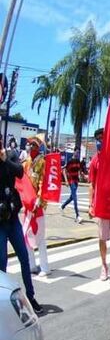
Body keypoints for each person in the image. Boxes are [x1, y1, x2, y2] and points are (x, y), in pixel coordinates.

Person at [0, 145, 42, 314]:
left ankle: (31, 297)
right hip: (0, 224)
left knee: (24, 258)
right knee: (2, 263)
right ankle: (3, 302)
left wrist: (4, 161)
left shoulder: (10, 155)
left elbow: (19, 171)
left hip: (13, 220)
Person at [88, 128, 110, 283]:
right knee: (102, 238)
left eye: (103, 138)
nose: (100, 141)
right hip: (101, 206)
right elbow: (91, 184)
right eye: (98, 138)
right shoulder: (95, 160)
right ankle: (104, 266)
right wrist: (91, 205)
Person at [22, 135, 49, 276]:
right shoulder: (26, 162)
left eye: (34, 145)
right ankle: (32, 265)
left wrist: (39, 198)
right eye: (29, 144)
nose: (31, 147)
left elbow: (43, 182)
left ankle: (44, 267)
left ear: (39, 147)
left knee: (39, 237)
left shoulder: (42, 162)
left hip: (38, 205)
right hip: (28, 204)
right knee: (26, 235)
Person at [60, 153, 83, 223]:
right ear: (74, 152)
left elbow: (80, 170)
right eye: (76, 151)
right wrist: (66, 181)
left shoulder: (78, 162)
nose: (77, 153)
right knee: (75, 197)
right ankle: (77, 215)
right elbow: (64, 170)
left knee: (72, 197)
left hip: (76, 181)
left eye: (78, 151)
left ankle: (62, 206)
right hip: (71, 181)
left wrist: (84, 176)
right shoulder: (70, 161)